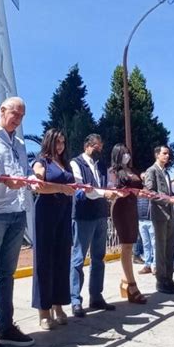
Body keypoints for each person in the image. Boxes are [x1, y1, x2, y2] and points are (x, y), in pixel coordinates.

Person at [0, 97, 66, 347]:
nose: (18, 119)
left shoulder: (21, 143)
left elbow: (24, 170)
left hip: (17, 212)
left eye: (22, 116)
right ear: (1, 110)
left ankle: (5, 326)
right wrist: (2, 180)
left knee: (7, 274)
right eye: (15, 114)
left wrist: (31, 180)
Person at [69, 134, 118, 317]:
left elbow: (109, 184)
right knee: (78, 259)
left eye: (101, 146)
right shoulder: (76, 163)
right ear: (87, 145)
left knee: (99, 258)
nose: (100, 150)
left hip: (101, 215)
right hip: (83, 216)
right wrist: (103, 193)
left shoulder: (102, 166)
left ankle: (96, 296)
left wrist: (112, 191)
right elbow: (81, 189)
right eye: (97, 146)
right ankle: (75, 300)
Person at [31, 129, 75, 329]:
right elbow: (40, 186)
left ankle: (58, 306)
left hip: (64, 213)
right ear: (49, 142)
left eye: (63, 142)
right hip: (46, 213)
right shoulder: (41, 162)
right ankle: (44, 311)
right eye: (57, 142)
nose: (60, 146)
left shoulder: (64, 163)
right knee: (44, 261)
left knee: (61, 260)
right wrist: (61, 189)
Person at [108, 145, 147, 304]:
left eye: (128, 153)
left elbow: (141, 189)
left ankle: (125, 282)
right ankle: (132, 285)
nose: (126, 156)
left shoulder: (133, 170)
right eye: (123, 154)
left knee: (130, 244)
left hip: (133, 206)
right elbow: (110, 190)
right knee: (126, 245)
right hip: (120, 207)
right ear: (117, 155)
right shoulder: (113, 171)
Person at [144, 146, 174, 295]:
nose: (167, 156)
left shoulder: (166, 172)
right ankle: (161, 282)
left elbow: (167, 192)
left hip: (170, 214)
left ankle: (169, 279)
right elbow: (150, 192)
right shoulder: (152, 171)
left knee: (169, 249)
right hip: (159, 214)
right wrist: (168, 200)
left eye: (168, 153)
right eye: (164, 153)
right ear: (157, 155)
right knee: (160, 249)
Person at [136, 172, 156, 275]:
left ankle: (155, 265)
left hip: (151, 220)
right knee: (146, 244)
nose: (144, 179)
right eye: (143, 177)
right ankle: (147, 265)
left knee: (154, 244)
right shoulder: (138, 190)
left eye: (146, 177)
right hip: (141, 220)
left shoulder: (153, 189)